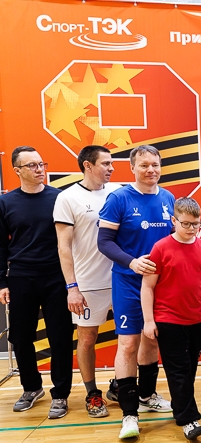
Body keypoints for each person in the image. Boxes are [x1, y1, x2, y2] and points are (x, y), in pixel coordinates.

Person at [98, 145, 174, 440]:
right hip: (128, 282)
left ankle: (147, 395)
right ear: (132, 168)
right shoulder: (119, 198)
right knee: (129, 344)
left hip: (160, 284)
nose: (151, 170)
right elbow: (104, 241)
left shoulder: (168, 198)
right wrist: (131, 261)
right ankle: (129, 414)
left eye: (155, 164)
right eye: (144, 165)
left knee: (151, 340)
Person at [0, 146, 74, 418]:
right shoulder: (6, 203)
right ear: (17, 170)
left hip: (56, 276)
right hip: (21, 277)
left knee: (60, 337)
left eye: (41, 164)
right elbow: (1, 246)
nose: (39, 169)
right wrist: (2, 282)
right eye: (32, 165)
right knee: (20, 337)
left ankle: (61, 394)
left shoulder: (60, 198)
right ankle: (31, 387)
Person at [141, 197, 201, 440]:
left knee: (190, 369)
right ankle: (188, 420)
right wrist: (149, 320)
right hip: (168, 320)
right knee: (178, 371)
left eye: (196, 224)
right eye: (186, 224)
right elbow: (147, 286)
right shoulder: (160, 248)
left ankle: (179, 406)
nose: (191, 229)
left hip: (196, 320)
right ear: (174, 221)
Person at [54, 145, 122, 417]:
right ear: (87, 165)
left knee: (130, 336)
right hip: (88, 283)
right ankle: (92, 393)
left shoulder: (118, 192)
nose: (111, 168)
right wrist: (72, 287)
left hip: (121, 278)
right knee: (87, 338)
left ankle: (120, 384)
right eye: (105, 163)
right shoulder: (67, 198)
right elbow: (64, 247)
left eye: (111, 163)